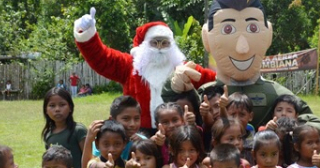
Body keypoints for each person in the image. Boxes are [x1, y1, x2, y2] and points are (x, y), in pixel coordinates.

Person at [166, 0, 320, 138]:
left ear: (268, 34)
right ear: (206, 38)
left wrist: (288, 126)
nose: (242, 49)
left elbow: (315, 125)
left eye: (253, 27)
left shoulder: (276, 94)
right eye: (228, 29)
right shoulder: (207, 93)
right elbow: (165, 114)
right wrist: (172, 86)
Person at [74, 14, 216, 132]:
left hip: (175, 133)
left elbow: (213, 80)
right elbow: (102, 58)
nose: (159, 47)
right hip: (138, 134)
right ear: (144, 45)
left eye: (164, 43)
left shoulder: (183, 68)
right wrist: (87, 35)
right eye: (154, 43)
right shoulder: (130, 66)